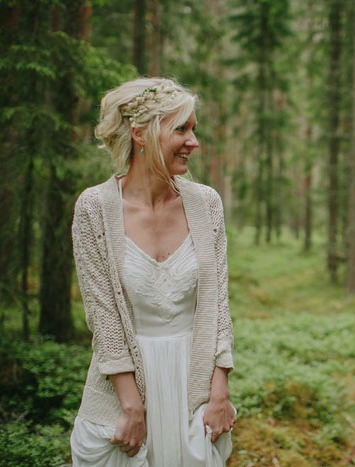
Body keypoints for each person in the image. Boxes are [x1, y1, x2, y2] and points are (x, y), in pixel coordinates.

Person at [69, 77, 236, 466]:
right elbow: (104, 318)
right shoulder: (94, 208)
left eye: (194, 129)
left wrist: (220, 392)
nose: (194, 142)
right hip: (126, 386)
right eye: (182, 129)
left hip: (190, 382)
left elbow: (216, 307)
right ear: (140, 133)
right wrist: (131, 406)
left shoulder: (205, 204)